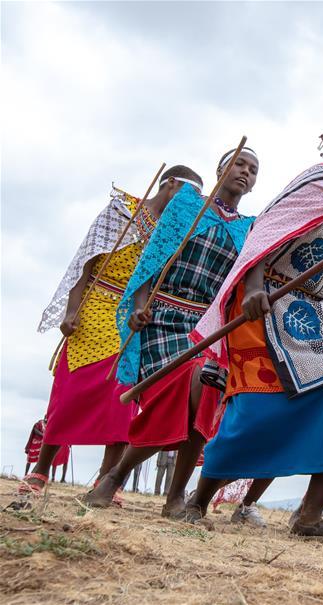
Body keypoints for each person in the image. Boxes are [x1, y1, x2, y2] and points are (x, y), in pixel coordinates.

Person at [180, 97, 323, 545]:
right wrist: (252, 289)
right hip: (270, 296)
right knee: (258, 404)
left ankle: (308, 516)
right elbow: (264, 231)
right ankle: (199, 499)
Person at [84, 149, 257, 516]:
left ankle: (172, 497)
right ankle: (118, 478)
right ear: (221, 168)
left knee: (207, 384)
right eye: (239, 164)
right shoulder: (185, 207)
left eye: (253, 170)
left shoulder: (248, 227)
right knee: (183, 388)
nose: (245, 172)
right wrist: (139, 306)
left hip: (206, 327)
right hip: (161, 317)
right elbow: (154, 256)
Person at [17, 169, 201, 504]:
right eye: (186, 195)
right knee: (70, 389)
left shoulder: (175, 230)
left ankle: (106, 479)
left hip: (133, 315)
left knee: (123, 395)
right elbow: (85, 262)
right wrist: (72, 312)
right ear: (170, 184)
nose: (189, 205)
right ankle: (41, 469)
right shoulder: (121, 212)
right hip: (96, 303)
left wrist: (144, 311)